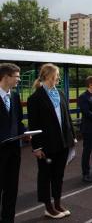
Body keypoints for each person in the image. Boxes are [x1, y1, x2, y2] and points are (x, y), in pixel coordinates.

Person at [27, 63, 77, 219]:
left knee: (58, 175)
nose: (59, 77)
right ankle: (48, 207)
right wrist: (36, 147)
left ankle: (57, 203)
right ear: (47, 75)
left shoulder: (60, 94)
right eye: (57, 74)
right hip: (47, 144)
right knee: (45, 176)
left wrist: (72, 136)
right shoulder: (35, 98)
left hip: (62, 142)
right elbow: (33, 125)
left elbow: (67, 118)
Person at [0, 63, 30, 223]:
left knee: (11, 191)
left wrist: (23, 134)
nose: (19, 79)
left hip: (13, 152)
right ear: (6, 77)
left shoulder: (15, 96)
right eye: (17, 76)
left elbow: (18, 121)